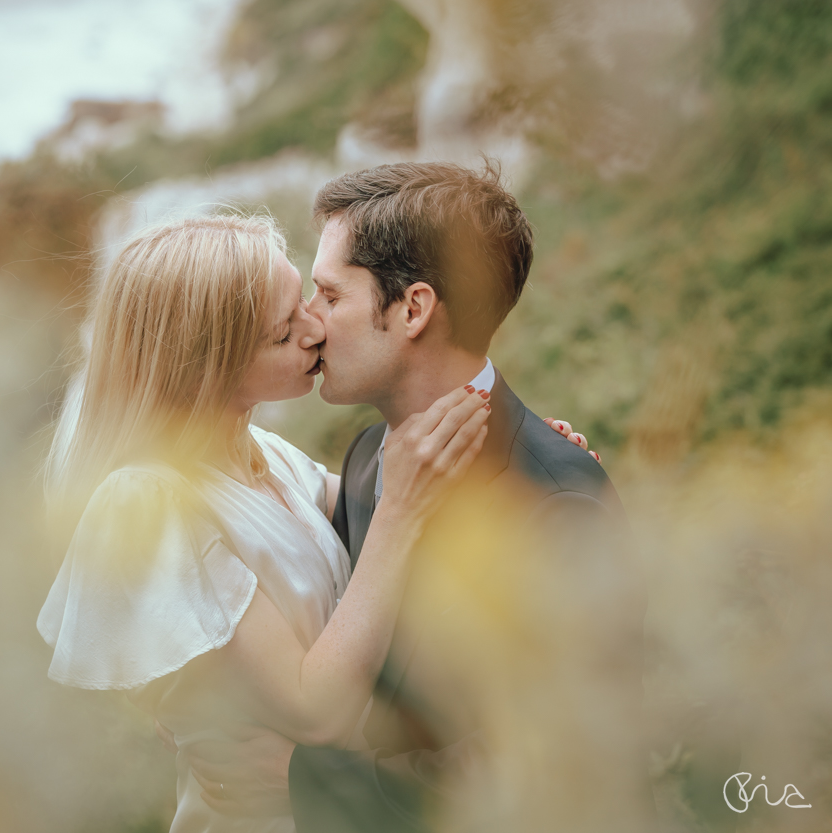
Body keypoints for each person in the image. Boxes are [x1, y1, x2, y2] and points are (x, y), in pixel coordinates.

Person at [37, 208, 597, 833]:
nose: (315, 329)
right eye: (283, 332)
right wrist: (401, 513)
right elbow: (315, 710)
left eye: (308, 298)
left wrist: (525, 465)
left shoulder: (263, 457)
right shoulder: (149, 501)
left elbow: (374, 499)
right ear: (206, 365)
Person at [184, 162, 648, 833]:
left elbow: (557, 762)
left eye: (330, 295)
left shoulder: (555, 503)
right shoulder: (371, 458)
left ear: (412, 309)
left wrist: (301, 774)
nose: (310, 323)